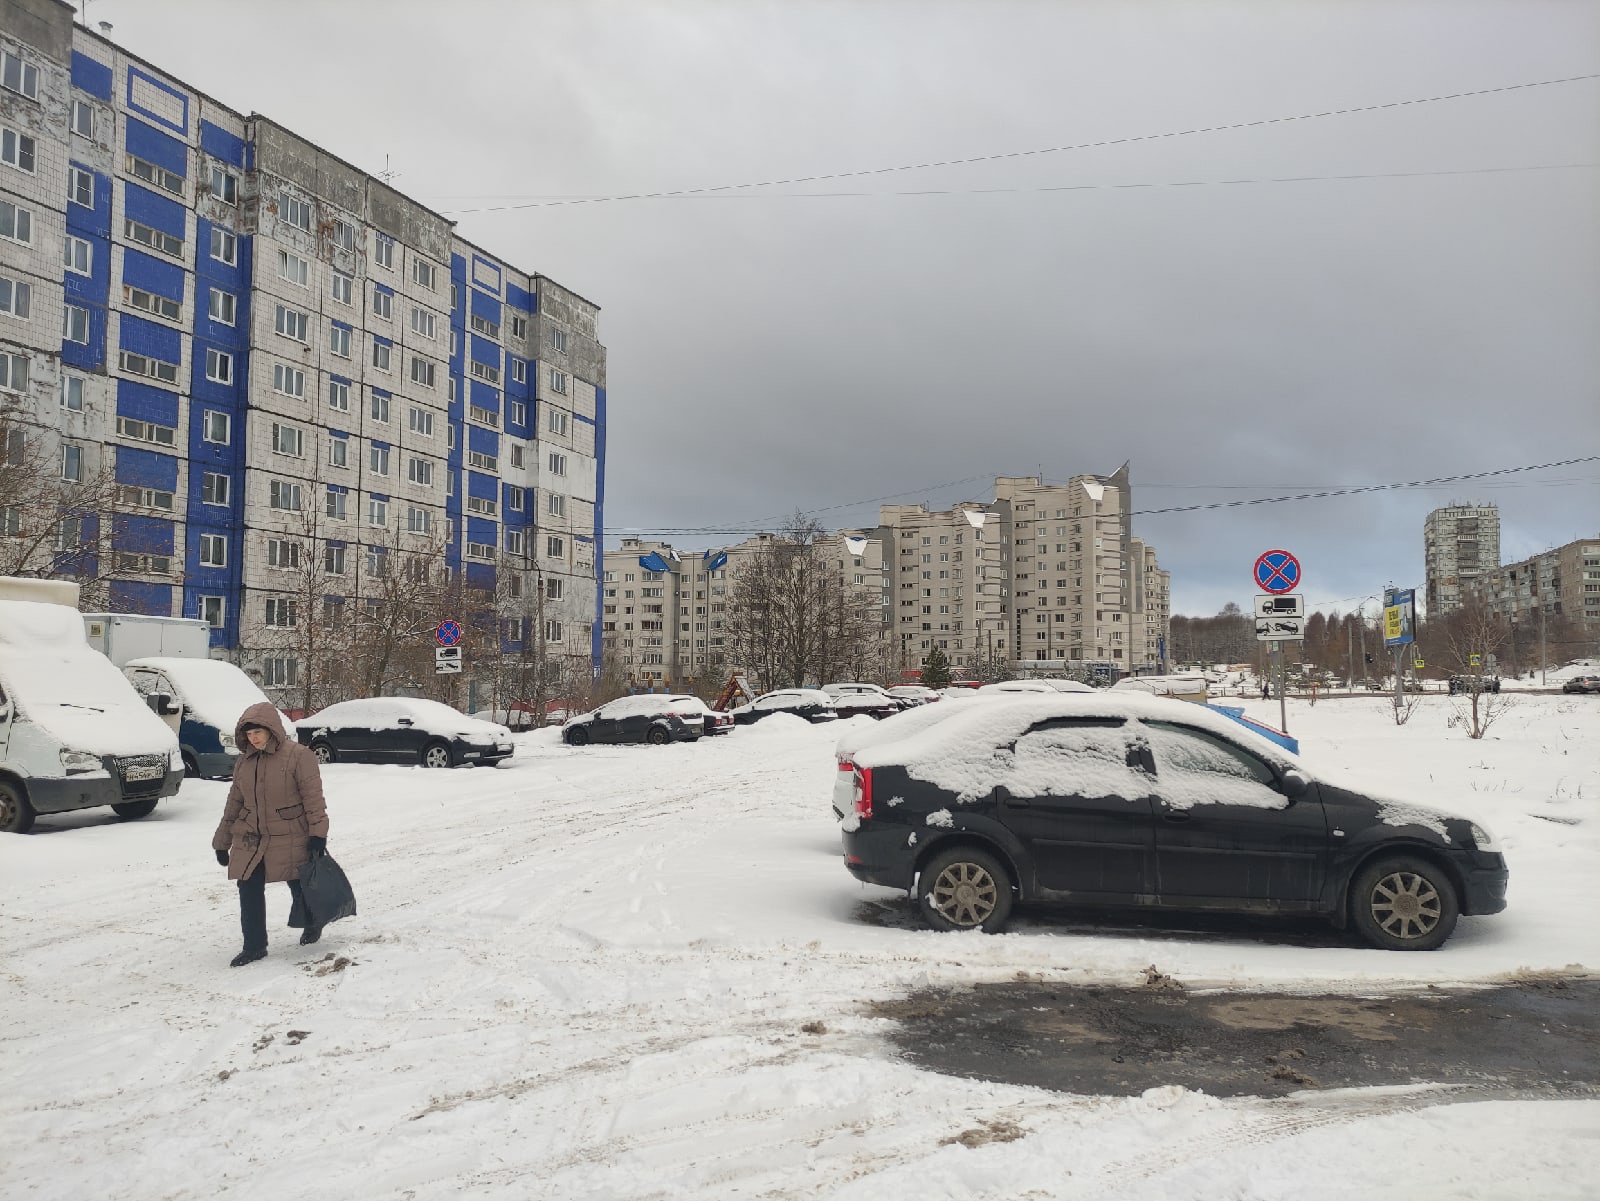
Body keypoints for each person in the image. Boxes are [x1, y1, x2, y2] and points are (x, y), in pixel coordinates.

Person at [212, 701, 329, 967]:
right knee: (248, 885)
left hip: (290, 833)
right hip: (252, 836)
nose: (253, 739)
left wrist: (318, 834)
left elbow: (313, 799)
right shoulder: (245, 762)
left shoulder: (299, 756)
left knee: (299, 884)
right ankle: (254, 946)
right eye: (249, 734)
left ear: (271, 730)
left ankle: (312, 923)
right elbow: (234, 803)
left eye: (258, 733)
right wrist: (221, 841)